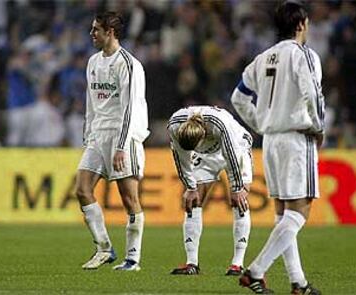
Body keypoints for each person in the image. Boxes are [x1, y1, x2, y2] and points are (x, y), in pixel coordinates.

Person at [230, 1, 324, 294]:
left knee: (284, 213)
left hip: (270, 141)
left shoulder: (263, 58)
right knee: (300, 212)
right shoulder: (303, 55)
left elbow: (238, 98)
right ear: (300, 24)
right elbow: (312, 92)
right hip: (297, 137)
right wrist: (318, 127)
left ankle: (298, 283)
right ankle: (256, 271)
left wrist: (262, 122)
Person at [75, 12, 149, 271]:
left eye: (96, 29)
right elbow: (90, 103)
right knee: (82, 190)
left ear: (111, 32)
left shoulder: (128, 64)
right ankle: (104, 248)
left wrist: (121, 145)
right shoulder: (93, 62)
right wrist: (88, 135)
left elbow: (130, 107)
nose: (92, 33)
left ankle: (133, 259)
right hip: (98, 135)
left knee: (129, 199)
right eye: (92, 28)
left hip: (122, 136)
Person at [167, 105, 252, 276]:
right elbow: (181, 160)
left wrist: (237, 188)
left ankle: (237, 264)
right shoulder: (175, 126)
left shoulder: (219, 125)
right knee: (193, 200)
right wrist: (190, 187)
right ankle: (192, 263)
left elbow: (233, 156)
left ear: (204, 136)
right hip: (206, 156)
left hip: (237, 146)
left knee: (239, 200)